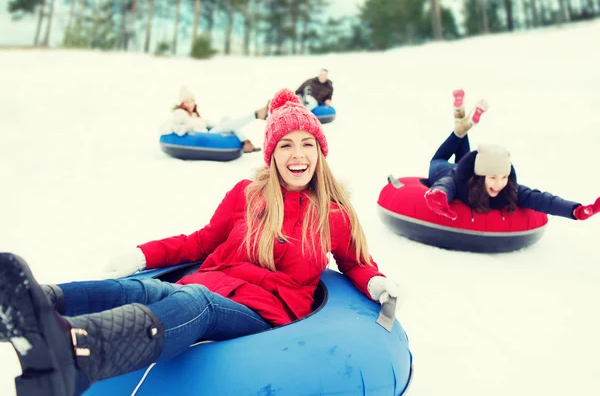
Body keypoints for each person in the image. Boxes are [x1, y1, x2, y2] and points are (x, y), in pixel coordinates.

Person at [0, 88, 399, 396]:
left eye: (306, 144)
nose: (298, 155)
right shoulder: (248, 194)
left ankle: (78, 352)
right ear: (273, 154)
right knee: (142, 289)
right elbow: (200, 242)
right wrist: (143, 254)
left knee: (196, 304)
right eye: (286, 145)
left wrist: (376, 283)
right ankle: (31, 303)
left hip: (266, 312)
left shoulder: (332, 215)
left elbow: (355, 263)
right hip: (211, 282)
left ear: (320, 151)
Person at [424, 89, 600, 221]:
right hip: (442, 169)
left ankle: (462, 119)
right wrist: (438, 195)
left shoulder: (508, 189)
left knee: (460, 138)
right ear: (480, 176)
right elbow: (444, 186)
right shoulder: (457, 181)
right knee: (443, 154)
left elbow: (540, 199)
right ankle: (462, 122)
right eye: (493, 177)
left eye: (503, 177)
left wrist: (576, 210)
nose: (499, 183)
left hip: (467, 167)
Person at [161, 85, 269, 153]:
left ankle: (246, 141)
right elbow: (175, 124)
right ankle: (255, 115)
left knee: (226, 119)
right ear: (182, 104)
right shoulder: (180, 113)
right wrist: (185, 128)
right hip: (206, 136)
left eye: (191, 101)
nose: (190, 104)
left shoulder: (194, 115)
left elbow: (207, 123)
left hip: (209, 132)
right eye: (187, 102)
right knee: (229, 124)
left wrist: (220, 126)